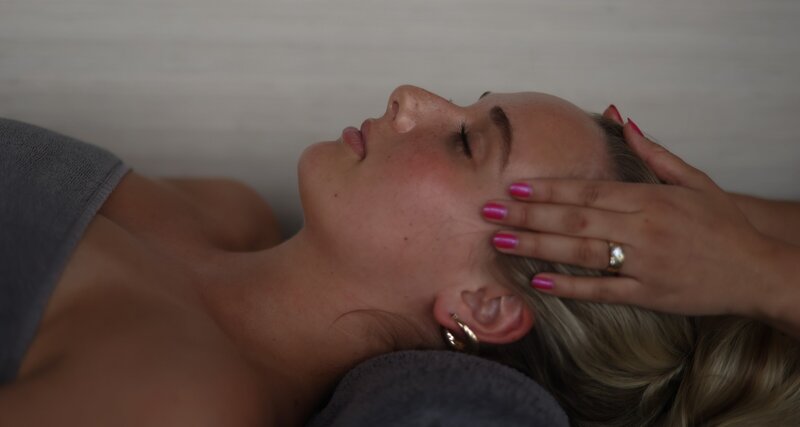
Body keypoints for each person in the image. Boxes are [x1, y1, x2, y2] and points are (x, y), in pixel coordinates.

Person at [0, 84, 797, 426]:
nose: (410, 97)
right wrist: (732, 248)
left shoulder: (181, 400)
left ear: (483, 305)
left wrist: (761, 278)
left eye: (465, 141)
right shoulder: (223, 212)